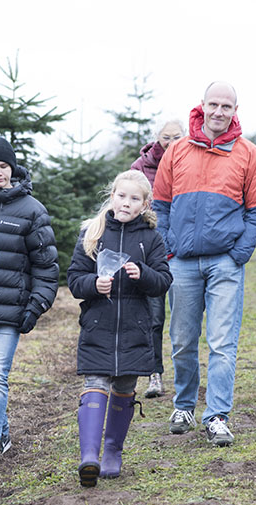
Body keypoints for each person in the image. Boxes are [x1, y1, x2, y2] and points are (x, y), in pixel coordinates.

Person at [153, 81, 256, 446]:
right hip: (183, 264)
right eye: (214, 104)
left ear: (235, 111)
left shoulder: (249, 154)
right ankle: (184, 406)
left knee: (222, 343)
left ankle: (217, 415)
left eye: (227, 106)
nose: (219, 112)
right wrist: (170, 249)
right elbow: (159, 206)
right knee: (183, 340)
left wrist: (238, 254)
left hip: (225, 263)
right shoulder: (176, 152)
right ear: (202, 106)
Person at [67, 170, 172, 487]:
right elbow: (74, 280)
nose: (126, 203)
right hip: (98, 326)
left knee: (125, 386)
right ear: (112, 196)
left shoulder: (151, 238)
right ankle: (89, 455)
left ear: (145, 204)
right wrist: (93, 284)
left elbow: (164, 281)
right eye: (121, 196)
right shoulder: (93, 234)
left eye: (134, 198)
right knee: (95, 381)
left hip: (133, 329)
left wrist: (142, 273)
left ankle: (112, 450)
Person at [0, 137, 59, 476]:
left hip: (10, 312)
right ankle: (3, 434)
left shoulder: (32, 210)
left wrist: (35, 306)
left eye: (2, 167)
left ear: (12, 168)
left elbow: (47, 266)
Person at [131, 118, 185, 399]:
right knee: (154, 318)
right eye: (166, 137)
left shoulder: (190, 161)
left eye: (177, 137)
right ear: (157, 139)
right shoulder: (140, 169)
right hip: (150, 252)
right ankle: (155, 375)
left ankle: (185, 375)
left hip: (182, 252)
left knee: (182, 319)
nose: (171, 143)